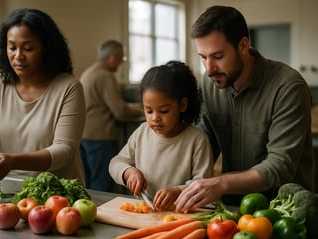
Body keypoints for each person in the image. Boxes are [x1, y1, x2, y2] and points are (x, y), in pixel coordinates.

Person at [174, 5, 315, 212]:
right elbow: (204, 145)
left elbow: (279, 166)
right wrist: (178, 187)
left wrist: (220, 183)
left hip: (286, 211)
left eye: (218, 56)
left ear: (243, 45)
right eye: (203, 57)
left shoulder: (288, 86)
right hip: (232, 208)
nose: (209, 69)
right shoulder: (208, 84)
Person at [0, 8, 86, 184]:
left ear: (47, 48)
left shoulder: (69, 88)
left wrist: (14, 161)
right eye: (12, 47)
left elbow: (64, 151)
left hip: (59, 197)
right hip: (8, 195)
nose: (18, 56)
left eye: (28, 48)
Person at [109, 61, 214, 211]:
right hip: (144, 213)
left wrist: (178, 191)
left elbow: (203, 185)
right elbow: (116, 163)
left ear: (182, 105)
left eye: (164, 111)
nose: (155, 118)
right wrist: (128, 172)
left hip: (179, 216)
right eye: (149, 111)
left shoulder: (197, 140)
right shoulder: (142, 132)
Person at [80, 40, 144, 191]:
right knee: (101, 185)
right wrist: (144, 110)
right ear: (113, 57)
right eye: (121, 58)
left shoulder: (89, 72)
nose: (121, 62)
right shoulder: (105, 76)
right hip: (100, 138)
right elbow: (120, 111)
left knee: (89, 184)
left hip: (85, 136)